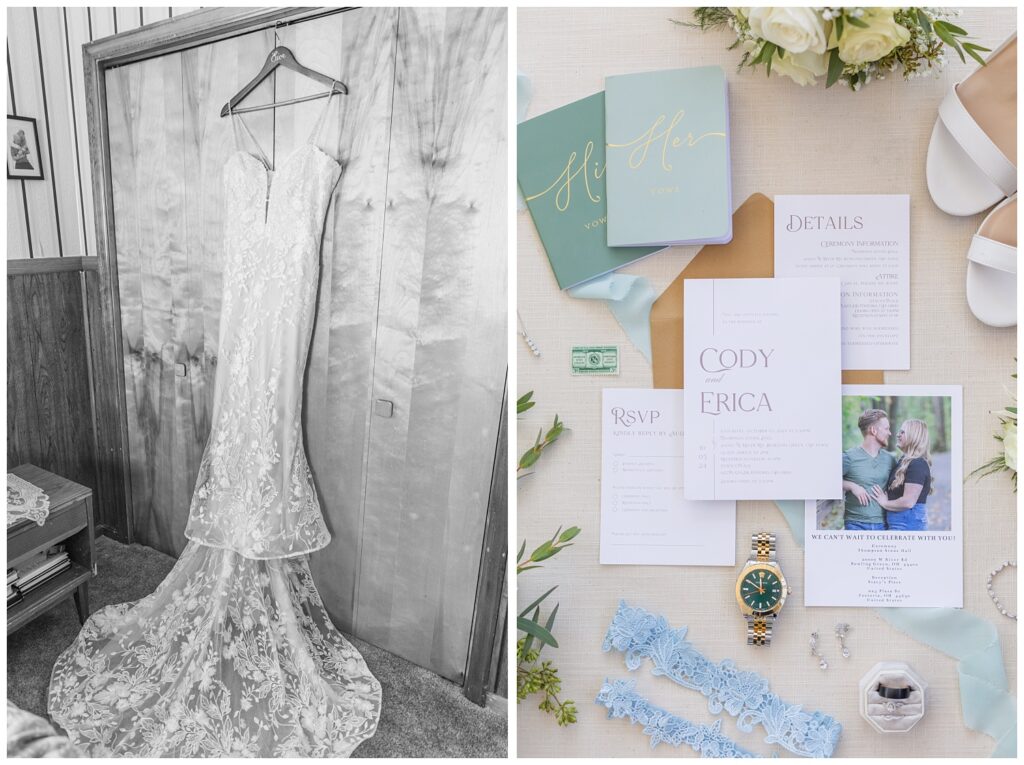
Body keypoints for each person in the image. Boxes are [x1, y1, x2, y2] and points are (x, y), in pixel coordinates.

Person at [871, 419, 933, 531]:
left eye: (902, 432)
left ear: (914, 436)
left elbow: (908, 502)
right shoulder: (904, 461)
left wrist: (885, 503)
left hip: (908, 525)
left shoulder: (917, 463)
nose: (898, 435)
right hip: (899, 523)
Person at [841, 409, 897, 530]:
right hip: (855, 525)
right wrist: (852, 486)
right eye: (886, 428)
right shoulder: (848, 457)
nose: (890, 433)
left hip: (883, 524)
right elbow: (827, 481)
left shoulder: (890, 460)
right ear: (873, 430)